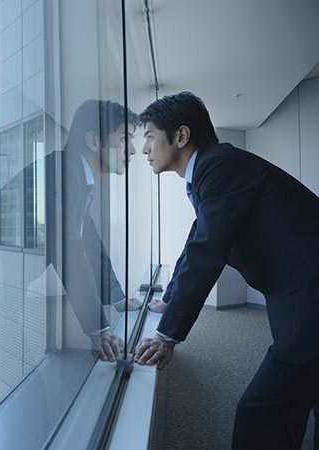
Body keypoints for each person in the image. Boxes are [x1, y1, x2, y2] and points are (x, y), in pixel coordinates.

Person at [133, 91, 319, 449]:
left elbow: (207, 250)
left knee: (262, 412)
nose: (145, 149)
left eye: (150, 137)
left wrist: (168, 335)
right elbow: (195, 243)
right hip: (295, 288)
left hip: (308, 290)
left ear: (181, 136)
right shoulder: (212, 170)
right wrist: (168, 300)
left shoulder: (219, 166)